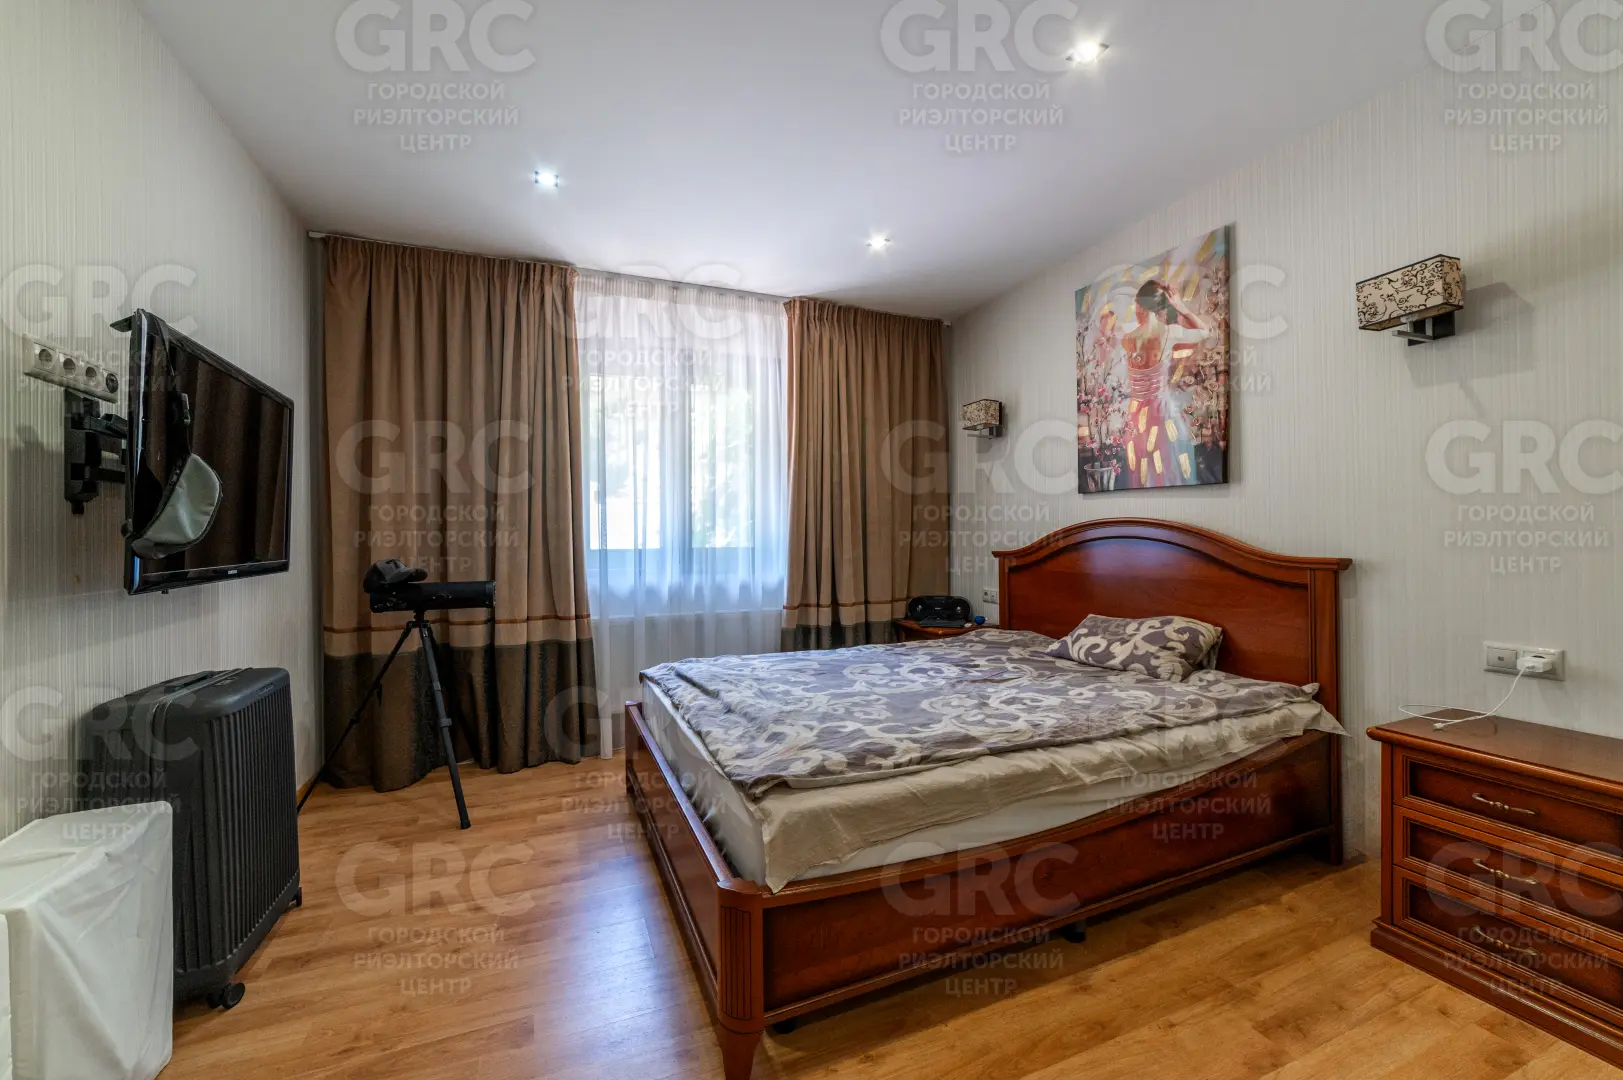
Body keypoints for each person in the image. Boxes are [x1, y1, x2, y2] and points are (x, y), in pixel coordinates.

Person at [1119, 278, 1210, 487]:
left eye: (1136, 304)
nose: (1135, 309)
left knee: (1145, 471)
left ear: (1141, 305)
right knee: (1168, 470)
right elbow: (1204, 332)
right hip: (1161, 412)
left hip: (1136, 415)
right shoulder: (1169, 333)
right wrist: (1181, 307)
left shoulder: (1127, 339)